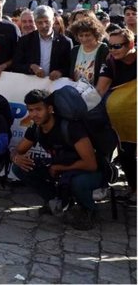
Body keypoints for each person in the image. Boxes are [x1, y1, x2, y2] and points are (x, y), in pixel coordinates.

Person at [12, 89, 103, 230]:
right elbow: (18, 150)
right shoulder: (36, 128)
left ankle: (89, 211)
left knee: (78, 182)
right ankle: (56, 200)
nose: (34, 114)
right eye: (30, 110)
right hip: (61, 168)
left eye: (38, 109)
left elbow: (91, 165)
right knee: (19, 168)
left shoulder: (71, 128)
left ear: (50, 109)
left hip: (92, 172)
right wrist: (16, 158)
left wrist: (60, 168)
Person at [96, 27, 136, 205]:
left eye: (117, 46)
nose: (112, 50)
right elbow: (100, 89)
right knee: (126, 154)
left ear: (131, 44)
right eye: (109, 46)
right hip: (122, 120)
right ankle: (134, 188)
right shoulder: (110, 62)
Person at [12, 5, 72, 80]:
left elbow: (69, 67)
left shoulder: (65, 42)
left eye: (47, 22)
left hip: (55, 85)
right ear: (35, 22)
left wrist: (60, 72)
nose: (44, 26)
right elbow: (16, 65)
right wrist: (31, 67)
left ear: (53, 20)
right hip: (31, 83)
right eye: (40, 23)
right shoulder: (25, 41)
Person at [67, 17, 108, 86]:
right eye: (81, 35)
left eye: (87, 35)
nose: (84, 39)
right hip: (75, 91)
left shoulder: (104, 49)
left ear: (96, 34)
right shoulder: (75, 50)